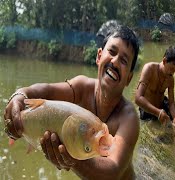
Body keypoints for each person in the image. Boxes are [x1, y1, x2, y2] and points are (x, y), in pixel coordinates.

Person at [3, 25, 140, 179]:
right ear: (99, 56)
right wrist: (19, 95)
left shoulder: (129, 118)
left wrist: (71, 159)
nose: (114, 61)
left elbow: (113, 171)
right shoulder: (82, 87)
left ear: (129, 78)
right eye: (112, 52)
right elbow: (46, 91)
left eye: (123, 60)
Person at [135, 46, 175, 129]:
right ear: (164, 61)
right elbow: (138, 98)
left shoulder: (171, 79)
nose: (172, 73)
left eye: (174, 70)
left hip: (162, 106)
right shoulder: (149, 69)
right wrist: (158, 113)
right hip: (147, 109)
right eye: (171, 69)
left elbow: (171, 103)